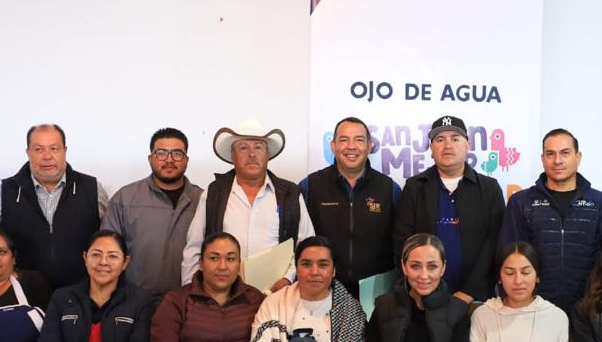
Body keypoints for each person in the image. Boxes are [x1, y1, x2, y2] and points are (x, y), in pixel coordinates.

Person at [181, 119, 315, 292]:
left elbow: (306, 246)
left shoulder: (290, 194)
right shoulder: (214, 193)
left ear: (267, 155)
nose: (252, 154)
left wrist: (287, 278)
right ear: (232, 155)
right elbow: (194, 247)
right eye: (243, 147)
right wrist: (191, 293)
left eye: (258, 147)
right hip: (223, 297)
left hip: (276, 296)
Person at [498, 129, 602, 311]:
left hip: (589, 309)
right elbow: (508, 258)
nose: (557, 160)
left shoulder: (601, 203)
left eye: (565, 153)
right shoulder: (521, 202)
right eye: (550, 154)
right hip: (534, 309)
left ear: (578, 157)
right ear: (543, 159)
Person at [394, 116, 506, 303]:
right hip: (424, 296)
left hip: (477, 298)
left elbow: (495, 244)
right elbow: (402, 242)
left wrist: (469, 292)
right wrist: (422, 287)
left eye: (455, 139)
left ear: (468, 145)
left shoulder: (489, 188)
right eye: (440, 139)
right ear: (431, 148)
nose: (447, 145)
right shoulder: (415, 188)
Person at [0, 124, 109, 288]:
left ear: (64, 150)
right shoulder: (5, 192)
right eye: (39, 149)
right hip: (23, 292)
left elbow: (109, 242)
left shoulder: (92, 188)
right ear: (28, 153)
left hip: (81, 293)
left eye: (54, 148)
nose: (47, 156)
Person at [300, 116, 402, 297]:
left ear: (369, 146)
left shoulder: (389, 189)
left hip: (376, 295)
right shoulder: (310, 186)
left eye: (359, 140)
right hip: (323, 292)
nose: (351, 146)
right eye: (344, 140)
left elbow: (400, 246)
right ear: (333, 146)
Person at [101, 127, 204, 295]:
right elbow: (107, 252)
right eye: (161, 153)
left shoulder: (202, 200)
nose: (169, 160)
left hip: (188, 301)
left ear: (186, 160)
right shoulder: (125, 199)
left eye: (177, 154)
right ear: (150, 159)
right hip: (134, 301)